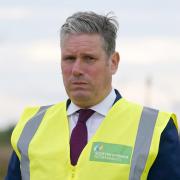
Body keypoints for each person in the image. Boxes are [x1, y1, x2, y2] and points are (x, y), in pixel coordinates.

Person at [6, 11, 180, 180]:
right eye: (69, 59)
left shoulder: (155, 128)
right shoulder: (31, 126)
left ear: (113, 63)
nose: (76, 70)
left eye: (89, 58)